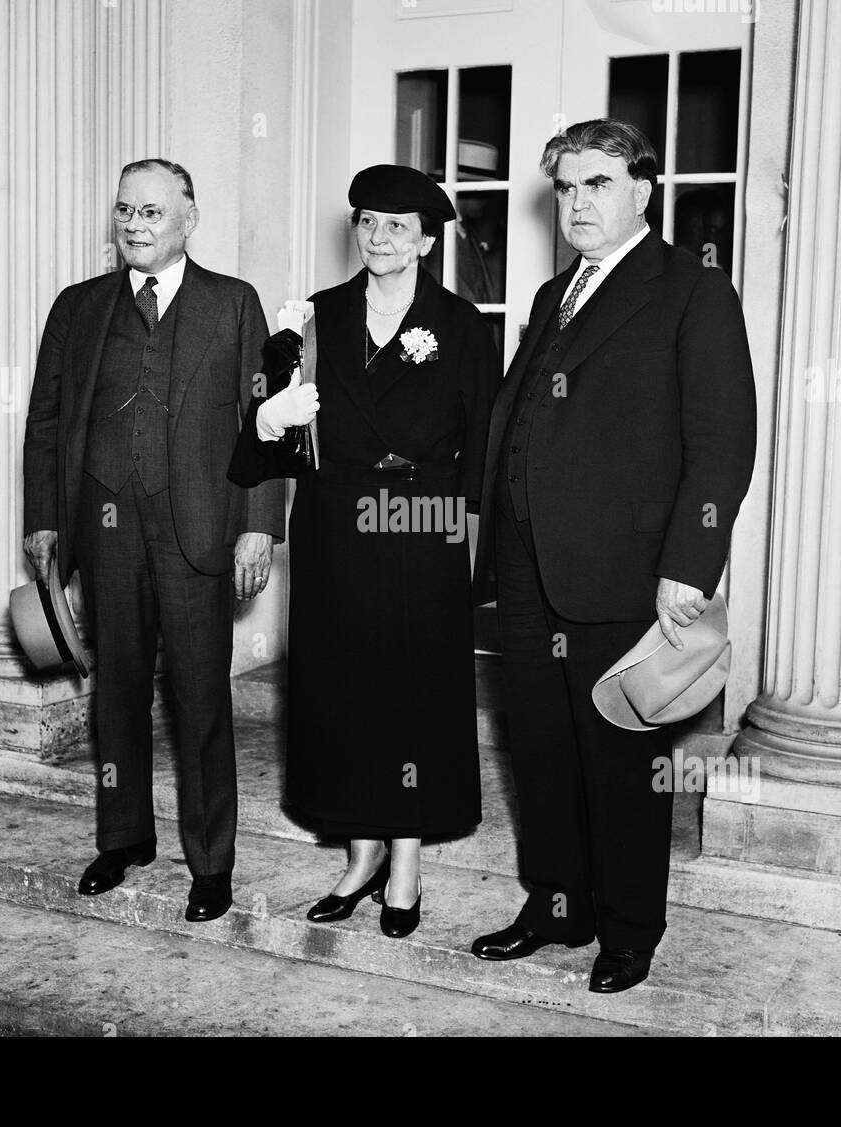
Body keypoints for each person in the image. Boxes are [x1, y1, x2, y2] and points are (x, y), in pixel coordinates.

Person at [469, 120, 756, 991]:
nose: (577, 202)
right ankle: (559, 907)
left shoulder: (690, 289)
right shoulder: (555, 292)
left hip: (627, 568)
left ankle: (629, 928)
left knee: (619, 756)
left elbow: (722, 439)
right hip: (525, 566)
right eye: (564, 187)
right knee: (543, 749)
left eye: (596, 183)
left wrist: (690, 563)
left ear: (642, 189)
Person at [233, 164, 501, 938]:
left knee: (412, 694)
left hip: (424, 530)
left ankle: (406, 866)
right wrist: (269, 417)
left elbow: (485, 448)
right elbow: (257, 449)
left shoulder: (460, 326)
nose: (379, 237)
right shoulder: (313, 319)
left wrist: (477, 559)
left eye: (396, 225)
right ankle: (359, 856)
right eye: (367, 222)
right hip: (337, 532)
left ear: (425, 240)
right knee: (343, 691)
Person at [22, 159, 285, 924]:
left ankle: (211, 864)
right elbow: (46, 420)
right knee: (118, 693)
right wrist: (45, 516)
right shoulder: (79, 307)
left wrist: (260, 524)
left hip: (197, 526)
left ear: (188, 220)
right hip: (106, 529)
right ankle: (124, 836)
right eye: (125, 211)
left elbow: (264, 425)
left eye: (152, 213)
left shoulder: (234, 306)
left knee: (200, 697)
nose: (135, 225)